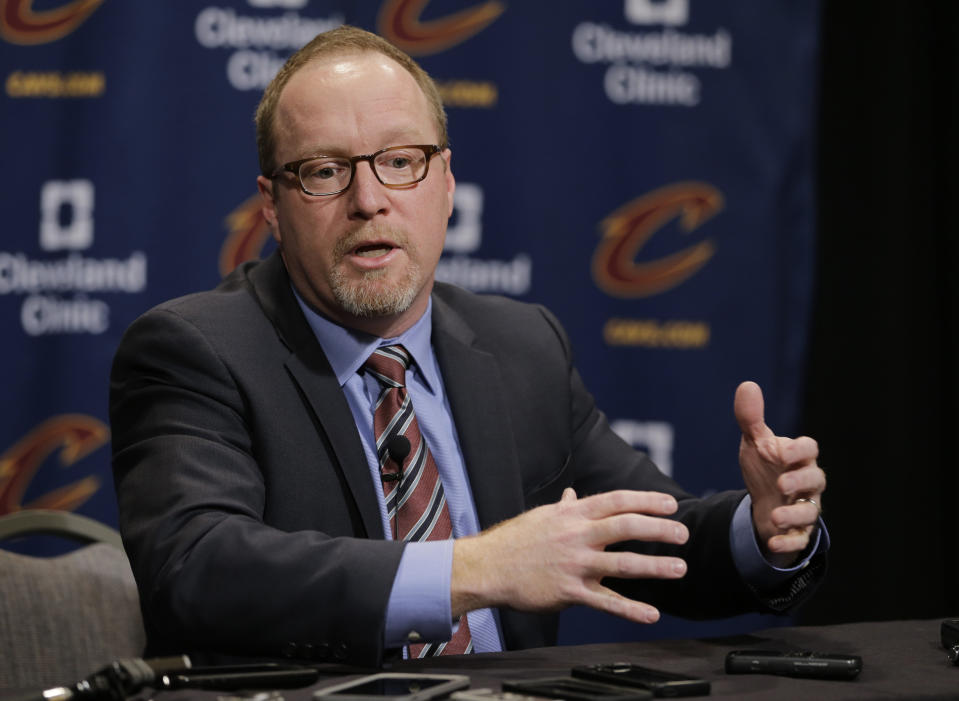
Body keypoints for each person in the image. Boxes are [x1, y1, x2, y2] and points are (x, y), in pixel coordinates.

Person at [110, 25, 827, 666]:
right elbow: (195, 569)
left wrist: (758, 529)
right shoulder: (195, 349)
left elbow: (644, 533)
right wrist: (471, 568)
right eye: (326, 171)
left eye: (399, 160)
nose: (368, 199)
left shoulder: (521, 346)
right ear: (271, 205)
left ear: (445, 183)